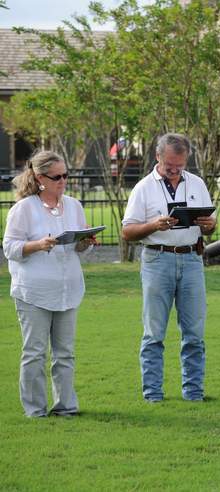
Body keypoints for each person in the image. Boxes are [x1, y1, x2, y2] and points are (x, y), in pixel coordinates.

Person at [121, 133, 217, 403]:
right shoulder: (143, 188)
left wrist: (210, 225)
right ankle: (153, 393)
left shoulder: (196, 183)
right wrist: (154, 225)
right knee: (154, 332)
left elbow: (210, 225)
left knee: (194, 332)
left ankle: (194, 392)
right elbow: (127, 232)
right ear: (158, 156)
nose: (174, 171)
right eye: (169, 166)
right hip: (157, 259)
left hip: (192, 259)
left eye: (180, 166)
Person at [3, 150, 95, 417]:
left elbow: (78, 248)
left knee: (65, 353)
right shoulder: (23, 209)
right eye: (57, 177)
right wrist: (37, 245)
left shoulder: (74, 205)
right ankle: (35, 410)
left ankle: (66, 407)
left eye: (66, 175)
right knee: (34, 352)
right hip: (33, 292)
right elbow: (10, 248)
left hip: (68, 289)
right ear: (40, 178)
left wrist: (86, 242)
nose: (63, 181)